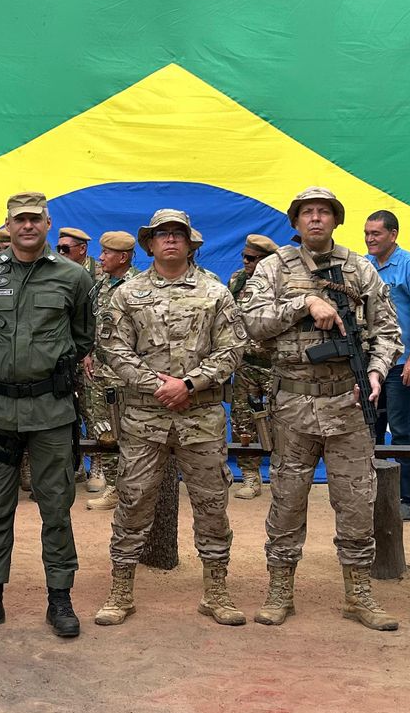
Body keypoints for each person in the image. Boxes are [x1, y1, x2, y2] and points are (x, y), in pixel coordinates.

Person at [239, 188, 402, 631]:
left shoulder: (359, 268)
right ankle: (280, 591)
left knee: (356, 503)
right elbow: (251, 322)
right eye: (307, 213)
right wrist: (304, 303)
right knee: (287, 500)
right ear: (296, 222)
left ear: (335, 220)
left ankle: (358, 594)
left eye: (324, 212)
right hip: (293, 404)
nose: (315, 219)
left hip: (348, 403)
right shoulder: (273, 268)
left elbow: (388, 331)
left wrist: (376, 372)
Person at [94, 210, 246, 627]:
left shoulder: (215, 292)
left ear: (191, 243)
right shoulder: (128, 294)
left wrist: (190, 384)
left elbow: (232, 349)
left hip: (201, 417)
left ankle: (216, 592)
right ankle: (120, 590)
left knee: (212, 504)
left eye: (179, 233)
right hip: (145, 418)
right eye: (162, 234)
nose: (171, 239)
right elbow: (114, 349)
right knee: (132, 501)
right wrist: (156, 385)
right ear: (149, 244)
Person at [0, 192, 95, 639]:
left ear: (47, 223)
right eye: (20, 219)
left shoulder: (73, 276)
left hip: (51, 411)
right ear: (8, 224)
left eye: (35, 219)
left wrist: (46, 367)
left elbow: (83, 336)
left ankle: (60, 598)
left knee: (56, 508)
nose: (27, 226)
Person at [364, 211, 410, 520]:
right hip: (371, 365)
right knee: (370, 430)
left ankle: (408, 499)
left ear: (393, 234)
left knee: (402, 432)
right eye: (367, 233)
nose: (370, 239)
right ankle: (375, 497)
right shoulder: (364, 266)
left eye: (376, 233)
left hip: (402, 364)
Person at [82, 230, 137, 506]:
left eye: (106, 253)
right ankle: (114, 487)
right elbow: (94, 322)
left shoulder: (138, 285)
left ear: (123, 257)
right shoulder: (101, 284)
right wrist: (88, 353)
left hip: (125, 372)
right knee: (103, 429)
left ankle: (130, 489)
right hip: (99, 369)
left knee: (127, 429)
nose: (101, 257)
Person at [227, 234, 278, 500]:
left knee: (282, 420)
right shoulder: (237, 280)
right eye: (244, 257)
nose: (246, 262)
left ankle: (282, 475)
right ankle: (250, 475)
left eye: (251, 258)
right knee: (242, 421)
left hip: (276, 365)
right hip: (245, 363)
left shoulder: (282, 281)